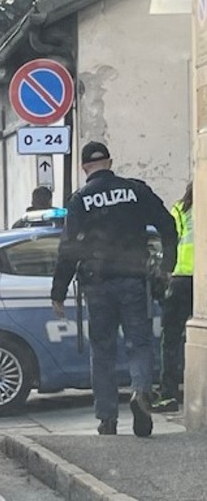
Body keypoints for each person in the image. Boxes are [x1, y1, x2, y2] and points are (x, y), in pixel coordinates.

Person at [50, 141, 177, 438]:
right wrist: (166, 265)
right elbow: (168, 224)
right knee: (139, 344)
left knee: (103, 350)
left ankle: (107, 419)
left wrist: (58, 291)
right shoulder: (135, 190)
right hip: (134, 280)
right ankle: (141, 392)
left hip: (97, 284)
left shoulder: (80, 200)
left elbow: (68, 249)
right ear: (109, 162)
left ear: (84, 168)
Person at [153, 181, 193, 413]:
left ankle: (169, 393)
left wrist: (163, 271)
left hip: (179, 279)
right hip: (202, 281)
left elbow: (168, 240)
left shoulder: (179, 209)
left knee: (171, 338)